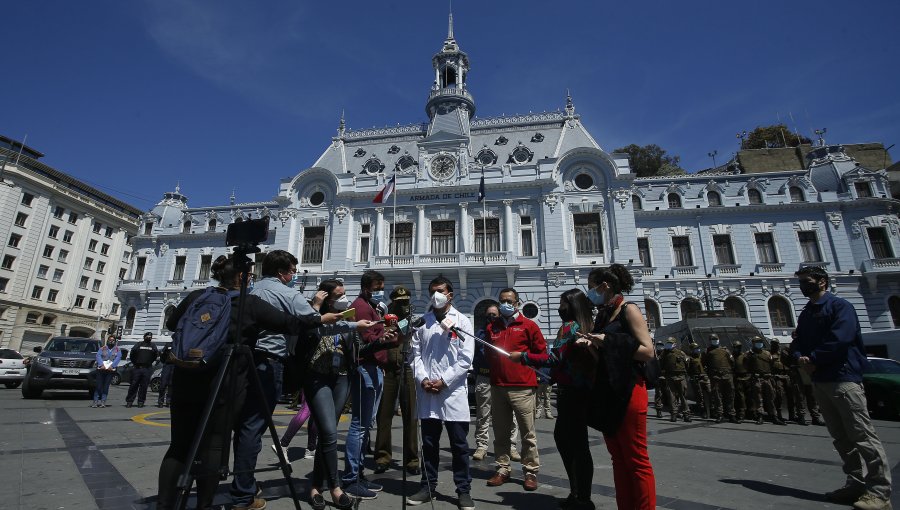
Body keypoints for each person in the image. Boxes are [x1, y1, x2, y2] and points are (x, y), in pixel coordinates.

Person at [156, 255, 321, 510]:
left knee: (179, 445)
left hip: (186, 376)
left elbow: (171, 323)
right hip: (223, 381)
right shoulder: (248, 303)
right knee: (213, 444)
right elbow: (290, 324)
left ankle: (164, 505)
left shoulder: (196, 296)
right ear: (242, 278)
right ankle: (204, 505)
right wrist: (319, 313)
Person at [231, 250, 374, 510]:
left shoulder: (251, 291)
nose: (294, 275)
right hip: (278, 364)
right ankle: (245, 491)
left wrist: (354, 326)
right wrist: (319, 309)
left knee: (247, 427)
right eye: (292, 271)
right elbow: (311, 323)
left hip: (254, 360)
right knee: (256, 427)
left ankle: (249, 485)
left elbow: (325, 327)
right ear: (281, 272)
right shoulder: (288, 295)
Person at [517, 265, 657, 509]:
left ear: (605, 286)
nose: (589, 292)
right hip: (609, 389)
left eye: (592, 287)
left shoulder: (629, 310)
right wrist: (588, 344)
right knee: (618, 458)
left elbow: (647, 351)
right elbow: (602, 351)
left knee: (636, 459)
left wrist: (607, 340)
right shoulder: (604, 315)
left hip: (629, 388)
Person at [793, 266, 892, 510]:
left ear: (822, 282)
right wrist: (799, 356)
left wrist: (813, 358)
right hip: (821, 380)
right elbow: (798, 341)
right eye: (801, 282)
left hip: (843, 378)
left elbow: (841, 339)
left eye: (807, 281)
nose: (803, 286)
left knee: (862, 436)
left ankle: (879, 492)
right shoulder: (806, 312)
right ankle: (855, 483)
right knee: (841, 438)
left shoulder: (840, 306)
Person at [407, 276, 475, 510]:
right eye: (432, 291)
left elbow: (466, 359)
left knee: (459, 445)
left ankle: (463, 489)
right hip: (428, 392)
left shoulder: (462, 322)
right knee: (429, 444)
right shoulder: (422, 323)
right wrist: (423, 378)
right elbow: (414, 355)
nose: (436, 295)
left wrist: (444, 381)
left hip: (452, 392)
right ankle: (428, 485)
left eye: (440, 291)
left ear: (450, 295)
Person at [484, 287, 546, 491]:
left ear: (517, 303)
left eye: (509, 301)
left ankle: (530, 471)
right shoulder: (493, 327)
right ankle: (503, 468)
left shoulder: (529, 326)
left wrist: (524, 358)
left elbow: (542, 354)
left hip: (523, 387)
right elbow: (488, 353)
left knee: (528, 433)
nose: (505, 304)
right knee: (500, 432)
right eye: (502, 301)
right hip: (498, 386)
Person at [343, 270, 398, 499]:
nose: (380, 291)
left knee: (366, 425)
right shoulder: (361, 307)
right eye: (378, 287)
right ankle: (350, 478)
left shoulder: (370, 306)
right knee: (359, 425)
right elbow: (364, 343)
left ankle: (358, 474)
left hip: (375, 368)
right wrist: (382, 337)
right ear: (368, 288)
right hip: (366, 368)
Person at [373, 285, 421, 476]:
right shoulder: (384, 320)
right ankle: (382, 457)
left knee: (411, 416)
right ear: (392, 302)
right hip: (387, 370)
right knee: (384, 416)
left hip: (408, 368)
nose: (403, 306)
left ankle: (412, 460)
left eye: (406, 303)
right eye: (399, 303)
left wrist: (408, 323)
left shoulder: (412, 320)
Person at [471, 304, 520, 462]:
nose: (491, 317)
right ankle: (482, 445)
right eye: (488, 315)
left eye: (494, 315)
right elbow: (476, 354)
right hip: (485, 377)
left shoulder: (502, 331)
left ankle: (511, 446)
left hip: (502, 377)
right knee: (483, 414)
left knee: (510, 414)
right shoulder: (480, 333)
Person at [744, 336, 784, 425]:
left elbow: (772, 364)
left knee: (771, 397)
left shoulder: (767, 353)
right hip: (757, 379)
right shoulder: (749, 354)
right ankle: (760, 416)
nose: (759, 343)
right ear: (753, 343)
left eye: (760, 341)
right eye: (757, 342)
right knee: (758, 398)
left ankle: (773, 416)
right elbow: (746, 365)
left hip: (767, 378)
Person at [702, 334, 738, 423]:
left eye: (716, 339)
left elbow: (732, 362)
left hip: (727, 376)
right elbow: (703, 364)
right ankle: (720, 414)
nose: (715, 341)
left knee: (730, 396)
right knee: (717, 396)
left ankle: (731, 414)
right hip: (716, 377)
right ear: (710, 341)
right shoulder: (707, 351)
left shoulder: (726, 350)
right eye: (713, 339)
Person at [660, 337, 690, 422]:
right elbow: (661, 364)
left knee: (683, 396)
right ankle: (674, 414)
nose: (669, 344)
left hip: (681, 376)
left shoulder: (681, 353)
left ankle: (686, 414)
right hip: (670, 377)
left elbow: (687, 363)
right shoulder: (664, 353)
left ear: (675, 344)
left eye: (671, 343)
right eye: (668, 343)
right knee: (672, 397)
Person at [126, 332, 159, 408]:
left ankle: (141, 401)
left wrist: (149, 362)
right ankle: (130, 401)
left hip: (147, 368)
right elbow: (132, 354)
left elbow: (155, 355)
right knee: (134, 385)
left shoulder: (153, 345)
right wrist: (135, 363)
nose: (149, 337)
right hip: (137, 368)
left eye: (150, 336)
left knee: (144, 386)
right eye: (147, 336)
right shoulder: (139, 344)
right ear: (144, 337)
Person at [93, 335, 121, 408]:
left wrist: (112, 366)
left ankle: (103, 401)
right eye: (110, 340)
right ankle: (95, 401)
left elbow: (118, 358)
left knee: (106, 386)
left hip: (110, 370)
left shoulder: (117, 349)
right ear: (107, 341)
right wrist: (101, 364)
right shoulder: (103, 348)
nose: (111, 341)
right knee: (99, 386)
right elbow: (98, 356)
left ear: (115, 341)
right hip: (101, 369)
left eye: (113, 340)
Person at [686, 342, 711, 419]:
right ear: (692, 350)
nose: (698, 350)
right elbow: (688, 369)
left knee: (710, 392)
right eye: (696, 349)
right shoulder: (690, 358)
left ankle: (710, 409)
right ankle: (703, 410)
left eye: (698, 348)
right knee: (699, 395)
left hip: (705, 377)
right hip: (696, 378)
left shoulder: (702, 356)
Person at [768, 339, 789, 423]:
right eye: (773, 344)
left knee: (790, 396)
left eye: (776, 344)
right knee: (778, 396)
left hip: (786, 376)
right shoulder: (769, 354)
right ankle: (777, 415)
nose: (775, 345)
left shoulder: (782, 353)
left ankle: (792, 415)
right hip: (776, 377)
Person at [732, 340, 751, 422]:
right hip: (738, 378)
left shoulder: (744, 356)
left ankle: (750, 412)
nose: (738, 349)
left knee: (749, 396)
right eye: (736, 347)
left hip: (746, 377)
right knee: (740, 397)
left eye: (739, 347)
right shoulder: (732, 356)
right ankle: (742, 413)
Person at [157, 343, 174, 408]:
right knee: (163, 384)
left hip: (175, 366)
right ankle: (160, 401)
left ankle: (168, 401)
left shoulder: (180, 344)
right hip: (167, 365)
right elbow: (162, 354)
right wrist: (165, 362)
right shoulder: (168, 345)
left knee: (171, 385)